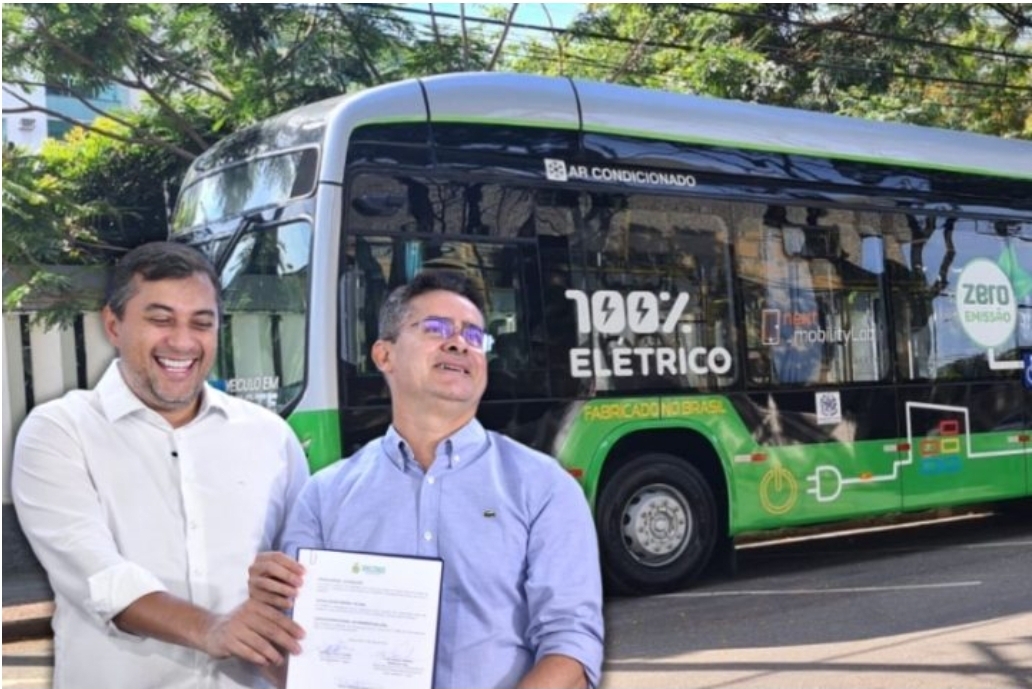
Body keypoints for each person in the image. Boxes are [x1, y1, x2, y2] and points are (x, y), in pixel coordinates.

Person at [249, 271, 604, 688]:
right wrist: (265, 615)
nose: (458, 342)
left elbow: (570, 644)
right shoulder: (325, 496)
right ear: (384, 356)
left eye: (474, 336)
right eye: (436, 329)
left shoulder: (543, 486)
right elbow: (292, 658)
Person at [11, 242, 309, 689]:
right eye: (160, 319)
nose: (183, 341)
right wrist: (213, 629)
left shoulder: (271, 436)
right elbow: (100, 577)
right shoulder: (58, 432)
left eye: (201, 323)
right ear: (113, 324)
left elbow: (306, 571)